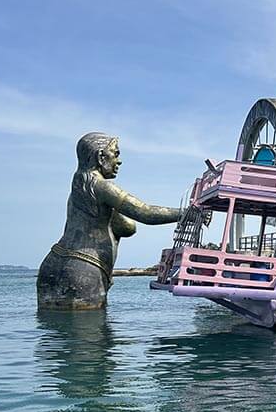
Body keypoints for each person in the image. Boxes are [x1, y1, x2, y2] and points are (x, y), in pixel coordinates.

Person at [37, 132, 181, 309]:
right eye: (116, 153)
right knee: (91, 333)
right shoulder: (103, 187)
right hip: (84, 269)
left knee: (58, 332)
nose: (119, 161)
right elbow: (145, 213)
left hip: (52, 266)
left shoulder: (79, 191)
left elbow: (126, 227)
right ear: (100, 156)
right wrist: (188, 212)